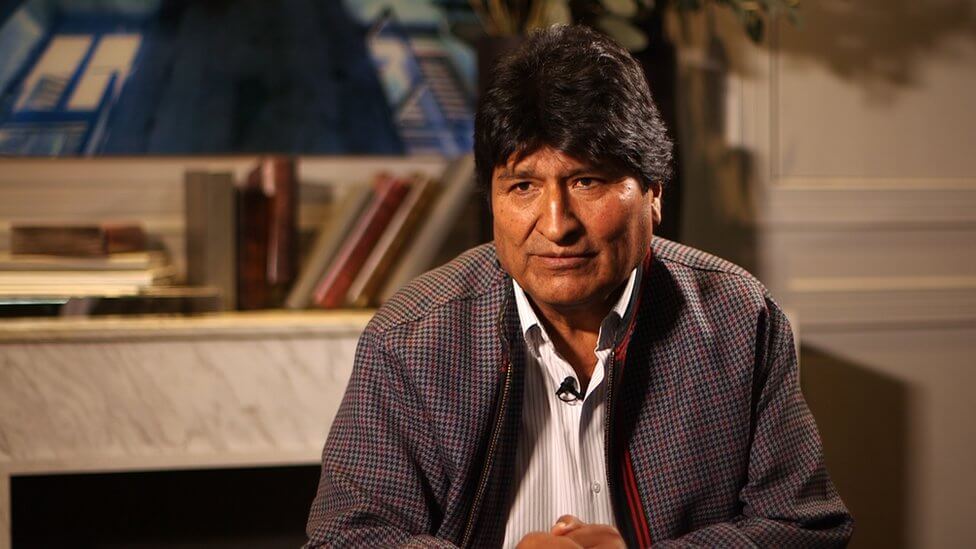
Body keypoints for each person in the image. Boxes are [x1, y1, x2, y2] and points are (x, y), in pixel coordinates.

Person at [305, 24, 852, 548]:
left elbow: (804, 527)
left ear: (654, 192)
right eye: (523, 186)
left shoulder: (739, 319)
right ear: (491, 200)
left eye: (587, 181)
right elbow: (345, 538)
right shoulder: (410, 338)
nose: (556, 224)